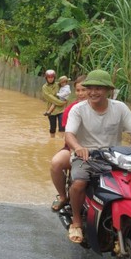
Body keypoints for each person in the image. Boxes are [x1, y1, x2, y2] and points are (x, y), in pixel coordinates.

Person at [64, 69, 131, 243]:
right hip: (87, 156)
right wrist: (78, 148)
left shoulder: (120, 108)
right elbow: (69, 134)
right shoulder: (78, 109)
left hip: (115, 156)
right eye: (90, 88)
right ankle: (76, 222)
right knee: (79, 183)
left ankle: (128, 219)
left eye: (98, 88)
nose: (92, 92)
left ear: (108, 91)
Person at [49, 75, 87, 211]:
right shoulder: (71, 109)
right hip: (74, 148)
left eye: (84, 90)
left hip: (100, 150)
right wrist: (75, 149)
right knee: (56, 163)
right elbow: (68, 136)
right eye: (78, 90)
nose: (81, 94)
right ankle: (63, 196)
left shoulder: (105, 107)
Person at [41, 69, 67, 136]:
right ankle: (52, 141)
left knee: (62, 127)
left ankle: (61, 143)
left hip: (61, 109)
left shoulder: (58, 84)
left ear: (54, 77)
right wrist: (61, 102)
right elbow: (51, 98)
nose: (50, 79)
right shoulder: (44, 87)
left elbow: (66, 90)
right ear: (46, 78)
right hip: (51, 110)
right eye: (48, 77)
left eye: (52, 77)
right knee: (53, 128)